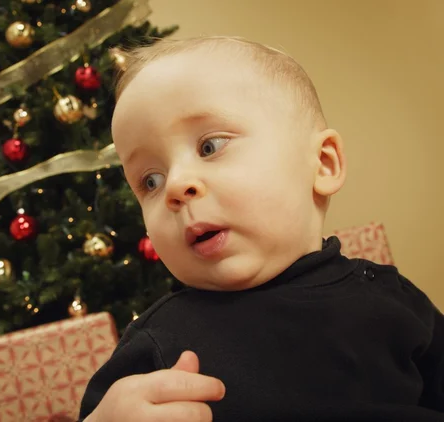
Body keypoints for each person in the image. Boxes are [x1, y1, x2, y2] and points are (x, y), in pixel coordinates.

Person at [78, 36, 444, 422]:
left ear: (322, 164)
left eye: (209, 146)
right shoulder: (158, 347)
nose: (175, 187)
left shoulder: (392, 297)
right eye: (149, 180)